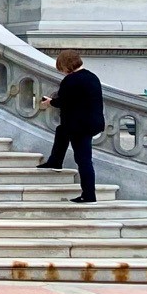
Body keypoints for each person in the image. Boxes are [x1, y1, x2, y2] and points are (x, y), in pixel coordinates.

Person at [38, 48, 106, 203]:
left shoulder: (71, 80)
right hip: (91, 123)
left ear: (66, 65)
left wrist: (50, 102)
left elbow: (64, 101)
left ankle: (89, 194)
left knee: (83, 159)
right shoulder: (92, 77)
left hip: (79, 126)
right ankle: (55, 160)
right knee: (61, 131)